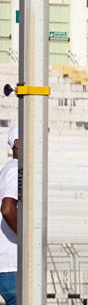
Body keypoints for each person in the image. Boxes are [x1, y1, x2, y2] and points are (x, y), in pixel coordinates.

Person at [0, 125, 18, 305]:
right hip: (13, 266)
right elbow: (7, 208)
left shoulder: (7, 170)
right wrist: (29, 238)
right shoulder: (16, 170)